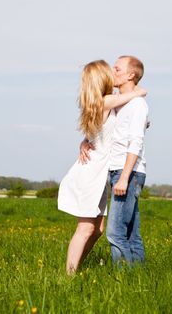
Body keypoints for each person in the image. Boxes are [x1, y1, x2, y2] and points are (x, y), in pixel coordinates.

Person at [58, 59, 147, 275]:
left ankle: (76, 267)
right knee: (86, 227)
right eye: (110, 71)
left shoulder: (103, 103)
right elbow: (136, 95)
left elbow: (111, 130)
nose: (112, 73)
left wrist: (84, 142)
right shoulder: (107, 100)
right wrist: (140, 90)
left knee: (97, 230)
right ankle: (68, 275)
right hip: (91, 173)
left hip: (97, 173)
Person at [80, 55, 149, 266]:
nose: (112, 72)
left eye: (117, 69)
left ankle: (123, 280)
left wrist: (124, 178)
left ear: (131, 75)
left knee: (114, 231)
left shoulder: (137, 104)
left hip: (127, 172)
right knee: (130, 231)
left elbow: (135, 143)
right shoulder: (120, 103)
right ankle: (138, 276)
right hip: (117, 171)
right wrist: (84, 142)